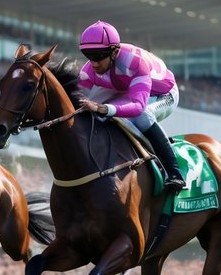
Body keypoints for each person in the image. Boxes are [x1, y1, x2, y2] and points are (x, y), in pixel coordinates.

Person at [74, 20, 185, 191]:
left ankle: (174, 172)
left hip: (163, 93)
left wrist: (104, 109)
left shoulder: (134, 62)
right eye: (89, 56)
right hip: (129, 90)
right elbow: (76, 103)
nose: (94, 64)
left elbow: (138, 107)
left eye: (99, 57)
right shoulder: (89, 71)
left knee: (141, 116)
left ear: (115, 52)